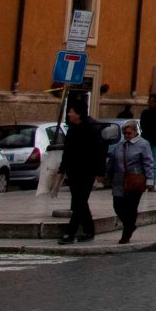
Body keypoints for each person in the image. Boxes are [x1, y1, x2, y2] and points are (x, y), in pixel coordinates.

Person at [57, 99, 104, 244]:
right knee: (80, 201)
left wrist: (100, 172)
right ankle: (89, 230)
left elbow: (100, 152)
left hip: (87, 171)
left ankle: (69, 233)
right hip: (73, 170)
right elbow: (67, 151)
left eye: (71, 111)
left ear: (78, 113)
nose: (69, 114)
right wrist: (62, 169)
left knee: (80, 201)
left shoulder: (92, 128)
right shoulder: (72, 128)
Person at [107, 116, 154, 245]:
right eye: (125, 133)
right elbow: (113, 161)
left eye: (129, 133)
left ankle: (126, 233)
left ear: (135, 132)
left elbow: (148, 163)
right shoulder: (120, 145)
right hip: (119, 181)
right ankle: (130, 225)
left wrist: (150, 181)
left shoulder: (143, 144)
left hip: (135, 181)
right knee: (117, 206)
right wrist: (106, 175)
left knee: (131, 208)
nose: (127, 136)